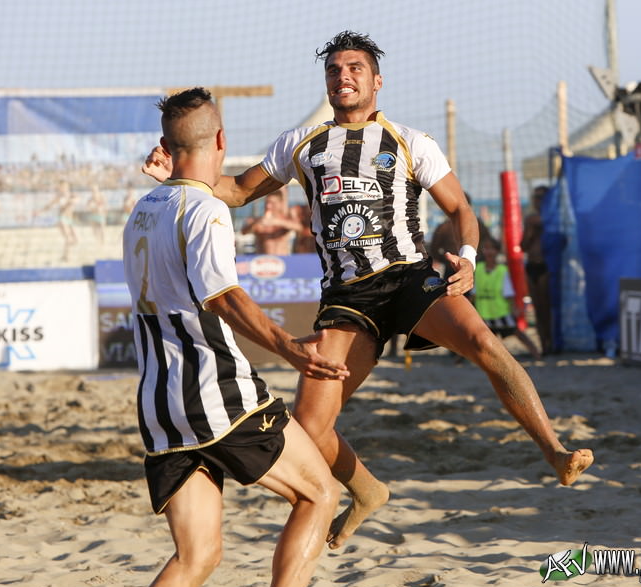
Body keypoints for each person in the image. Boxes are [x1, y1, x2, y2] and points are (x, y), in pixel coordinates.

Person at [143, 31, 593, 551]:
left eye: (355, 68)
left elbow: (463, 211)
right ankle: (368, 489)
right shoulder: (300, 144)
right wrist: (175, 173)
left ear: (377, 80)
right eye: (334, 69)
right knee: (311, 427)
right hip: (345, 298)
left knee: (487, 344)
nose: (343, 76)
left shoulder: (410, 141)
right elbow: (238, 191)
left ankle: (556, 451)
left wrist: (467, 260)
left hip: (407, 277)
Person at [125, 87, 347, 587]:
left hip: (160, 404)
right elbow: (223, 297)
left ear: (166, 144)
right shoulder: (204, 210)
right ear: (222, 139)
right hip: (216, 393)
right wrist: (291, 348)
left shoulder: (143, 207)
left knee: (197, 556)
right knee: (320, 492)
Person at [472, 237, 541, 359]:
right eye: (486, 248)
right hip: (484, 313)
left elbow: (508, 293)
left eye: (491, 249)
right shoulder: (479, 269)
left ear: (497, 252)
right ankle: (461, 358)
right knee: (474, 338)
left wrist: (514, 308)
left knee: (517, 333)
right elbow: (474, 292)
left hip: (501, 312)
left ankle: (536, 354)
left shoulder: (502, 270)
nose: (488, 252)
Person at [428, 191, 495, 277]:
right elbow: (488, 243)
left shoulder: (444, 227)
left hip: (454, 267)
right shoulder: (477, 225)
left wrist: (446, 259)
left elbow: (434, 249)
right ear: (469, 206)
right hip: (471, 267)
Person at [520, 185, 553, 356]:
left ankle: (551, 342)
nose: (537, 200)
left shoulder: (553, 219)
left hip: (546, 265)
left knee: (547, 308)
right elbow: (523, 246)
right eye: (535, 197)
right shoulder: (531, 219)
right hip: (532, 265)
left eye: (541, 197)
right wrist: (532, 231)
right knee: (538, 308)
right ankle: (543, 345)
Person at [241, 187, 302, 255]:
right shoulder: (258, 221)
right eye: (267, 202)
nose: (268, 206)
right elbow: (243, 232)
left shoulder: (285, 220)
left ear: (279, 204)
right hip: (262, 261)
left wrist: (276, 222)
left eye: (272, 203)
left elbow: (300, 228)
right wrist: (256, 222)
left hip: (283, 261)